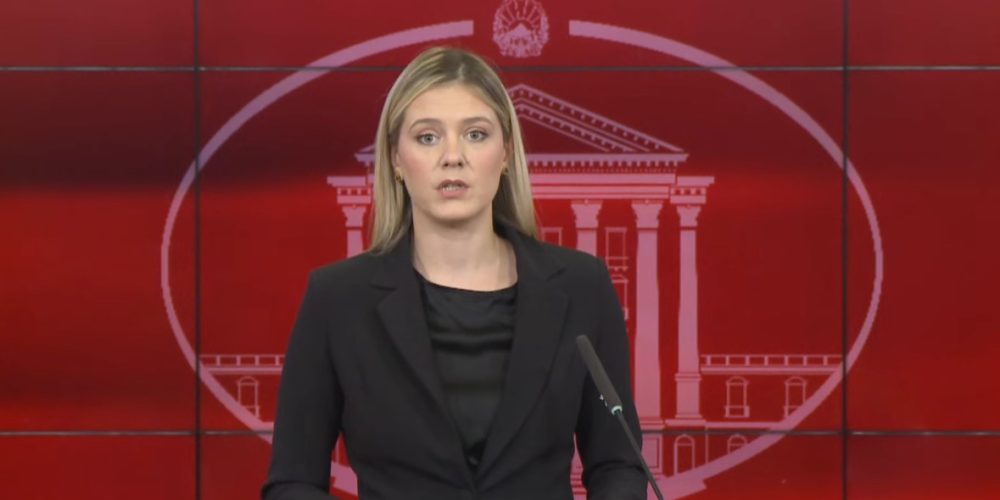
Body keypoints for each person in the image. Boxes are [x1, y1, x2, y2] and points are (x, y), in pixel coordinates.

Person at [262, 46, 646, 500]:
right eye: (427, 137)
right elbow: (293, 481)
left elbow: (618, 465)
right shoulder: (337, 299)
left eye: (475, 134)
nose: (452, 156)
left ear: (506, 152)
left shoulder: (582, 287)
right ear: (396, 159)